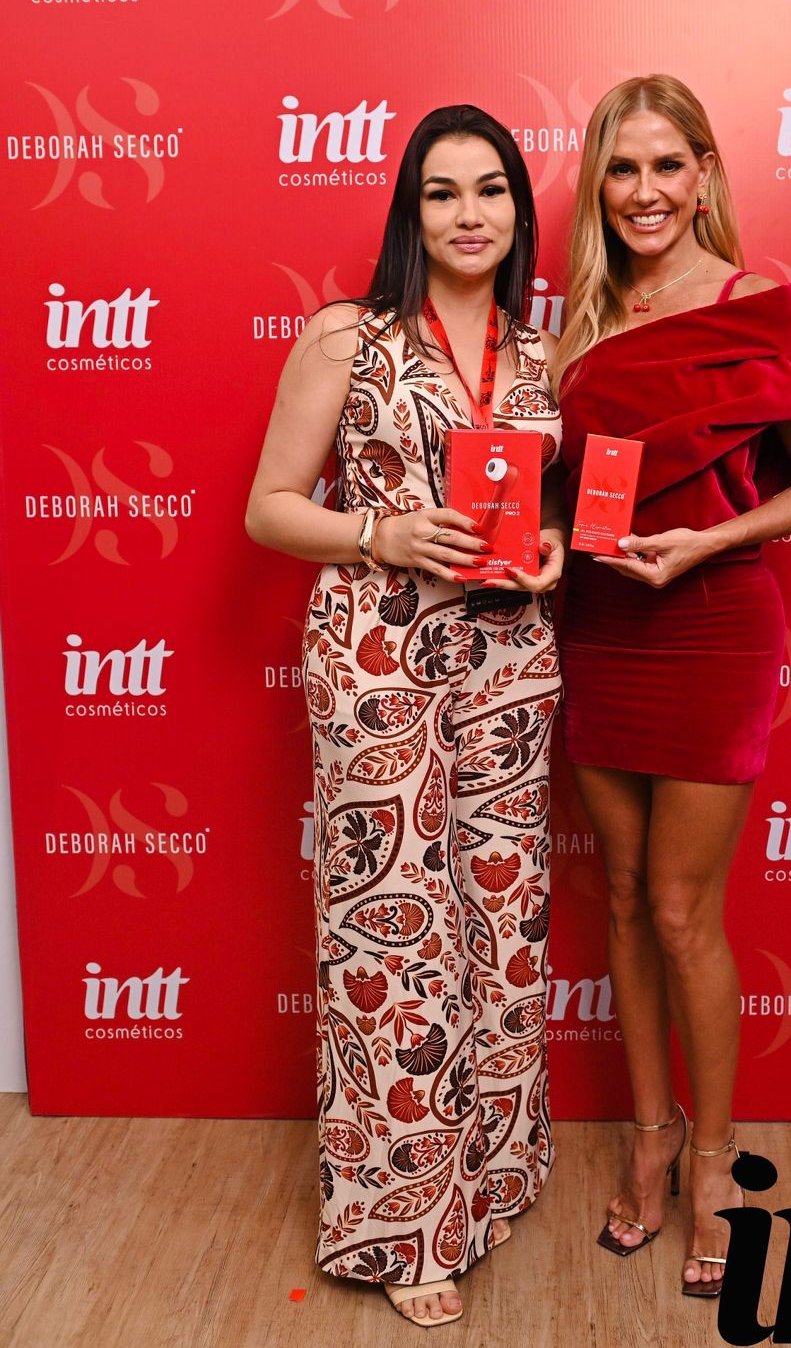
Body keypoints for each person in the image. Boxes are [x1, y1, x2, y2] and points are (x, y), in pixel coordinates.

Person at [246, 105, 566, 1329]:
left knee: (503, 919)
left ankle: (493, 1177)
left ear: (518, 211)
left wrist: (550, 547)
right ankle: (406, 1225)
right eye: (442, 192)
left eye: (490, 190)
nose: (469, 213)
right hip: (377, 658)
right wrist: (377, 531)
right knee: (396, 934)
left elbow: (544, 514)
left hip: (510, 658)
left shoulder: (544, 356)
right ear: (410, 211)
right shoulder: (349, 333)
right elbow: (270, 506)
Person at [553, 74, 791, 1300]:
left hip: (713, 620)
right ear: (599, 185)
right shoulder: (577, 321)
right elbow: (566, 491)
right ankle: (650, 1137)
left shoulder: (757, 303)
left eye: (666, 165)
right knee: (623, 897)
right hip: (601, 623)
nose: (644, 192)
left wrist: (710, 543)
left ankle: (717, 1163)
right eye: (622, 169)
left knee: (681, 911)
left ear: (704, 174)